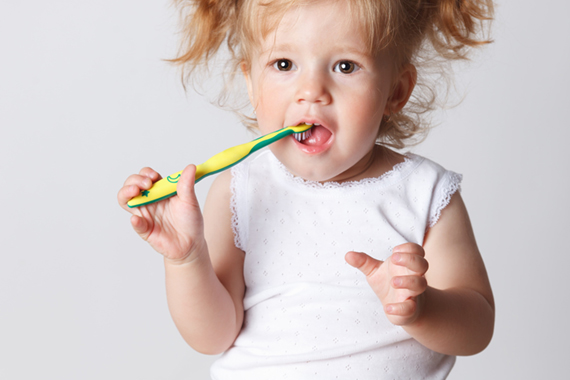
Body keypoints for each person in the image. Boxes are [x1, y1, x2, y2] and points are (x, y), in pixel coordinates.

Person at [118, 0, 495, 378]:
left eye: (345, 66)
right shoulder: (240, 190)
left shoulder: (424, 193)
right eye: (284, 65)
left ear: (396, 91)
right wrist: (186, 259)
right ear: (251, 84)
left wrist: (422, 309)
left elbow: (476, 330)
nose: (311, 91)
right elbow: (212, 337)